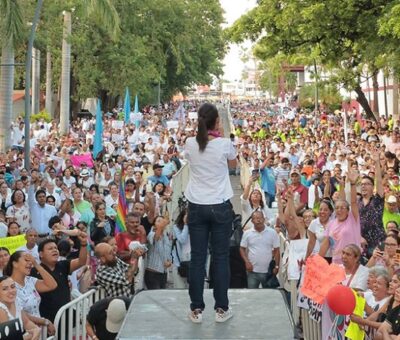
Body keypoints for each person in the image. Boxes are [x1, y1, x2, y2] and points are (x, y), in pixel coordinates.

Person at [184, 103, 236, 323]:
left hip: (196, 205)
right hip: (220, 205)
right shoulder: (225, 144)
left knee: (197, 257)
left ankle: (196, 309)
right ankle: (221, 309)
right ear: (217, 121)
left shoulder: (189, 143)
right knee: (220, 257)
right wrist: (222, 136)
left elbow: (193, 157)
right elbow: (233, 165)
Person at [30, 233, 88, 322]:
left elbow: (81, 261)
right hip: (47, 319)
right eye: (50, 249)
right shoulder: (33, 271)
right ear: (41, 254)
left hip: (67, 315)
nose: (54, 250)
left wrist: (83, 244)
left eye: (56, 248)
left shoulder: (63, 265)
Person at [4, 251, 57, 334]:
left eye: (31, 260)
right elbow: (20, 312)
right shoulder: (8, 286)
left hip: (39, 330)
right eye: (26, 260)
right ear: (15, 264)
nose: (30, 263)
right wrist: (44, 321)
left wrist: (36, 264)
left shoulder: (30, 280)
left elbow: (52, 285)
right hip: (24, 332)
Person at [319, 170, 361, 264]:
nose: (339, 210)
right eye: (337, 208)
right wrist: (317, 261)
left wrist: (353, 184)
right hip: (336, 262)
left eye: (342, 208)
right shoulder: (331, 223)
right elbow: (326, 244)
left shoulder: (352, 218)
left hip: (352, 262)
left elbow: (353, 202)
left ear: (347, 210)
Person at [239, 211, 280, 288]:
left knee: (268, 296)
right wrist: (246, 262)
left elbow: (277, 250)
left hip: (268, 271)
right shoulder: (247, 233)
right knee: (252, 295)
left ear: (264, 219)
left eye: (260, 218)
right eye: (255, 218)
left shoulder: (272, 232)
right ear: (252, 221)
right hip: (252, 271)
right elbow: (241, 248)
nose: (258, 220)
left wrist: (277, 266)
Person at [145, 216, 172, 290]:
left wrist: (169, 261)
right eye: (159, 221)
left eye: (162, 221)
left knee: (162, 298)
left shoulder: (166, 237)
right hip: (152, 273)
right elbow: (155, 238)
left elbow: (168, 252)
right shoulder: (151, 234)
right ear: (154, 225)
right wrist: (161, 226)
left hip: (164, 273)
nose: (161, 223)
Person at [171, 209, 191, 289]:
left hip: (192, 261)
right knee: (180, 289)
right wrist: (186, 225)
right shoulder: (176, 227)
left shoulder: (197, 228)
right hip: (179, 262)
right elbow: (182, 240)